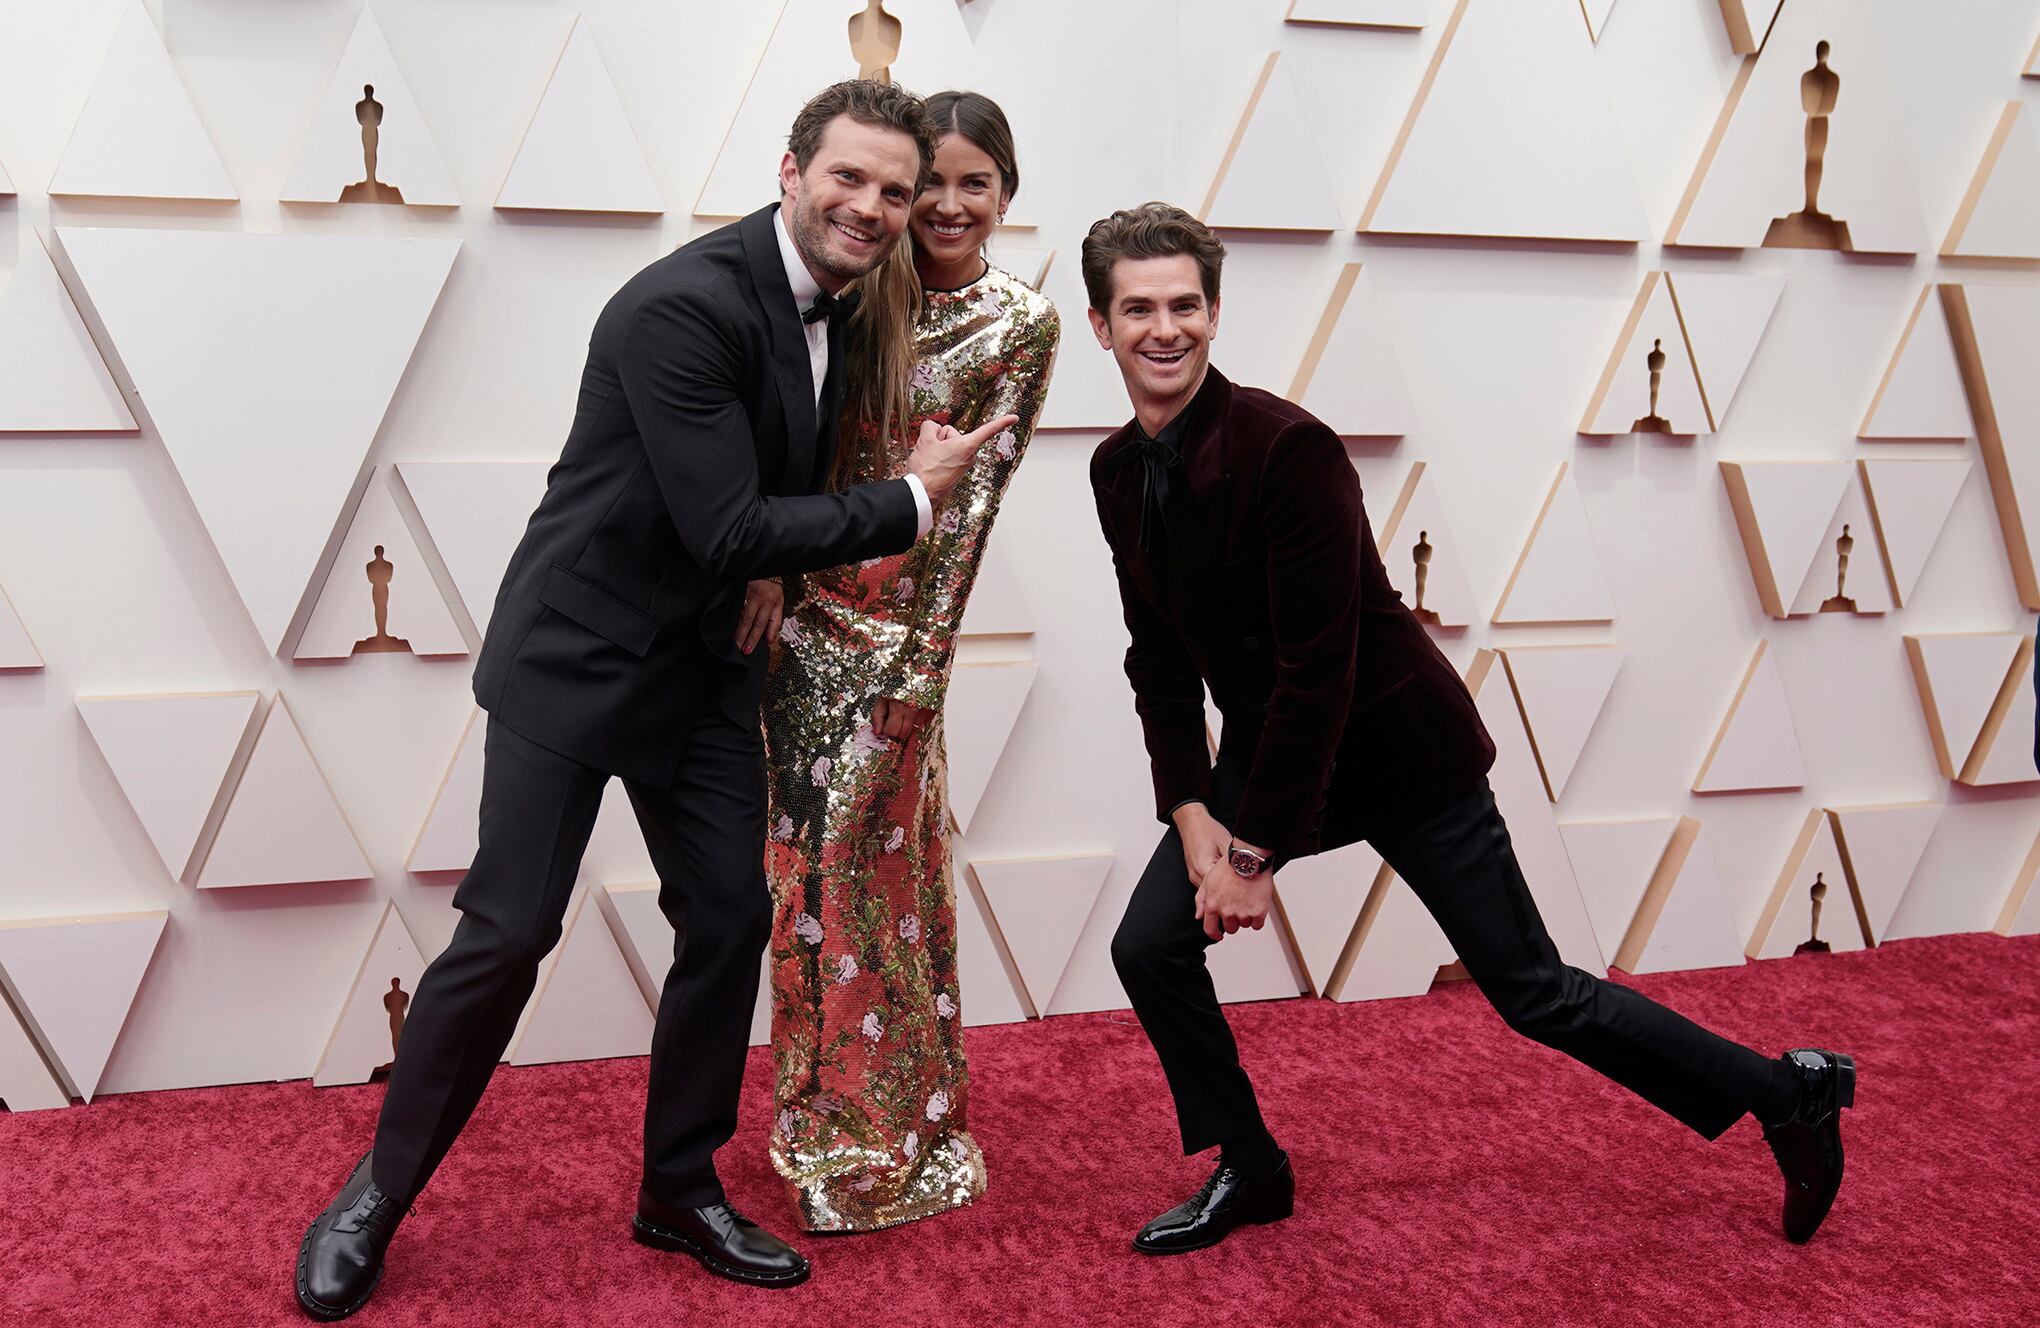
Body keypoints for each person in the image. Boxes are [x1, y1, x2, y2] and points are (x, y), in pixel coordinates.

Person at [294, 80, 1018, 1320]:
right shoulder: (679, 306)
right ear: (790, 171)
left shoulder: (851, 306)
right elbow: (726, 516)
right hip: (579, 657)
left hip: (706, 669)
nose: (877, 207)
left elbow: (757, 501)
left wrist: (775, 573)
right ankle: (373, 1193)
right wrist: (909, 499)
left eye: (896, 191)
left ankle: (677, 1185)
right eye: (851, 178)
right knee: (510, 929)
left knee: (729, 918)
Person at [1080, 203, 1856, 1257]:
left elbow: (1322, 668)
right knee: (1147, 942)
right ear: (1100, 323)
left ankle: (1785, 1092)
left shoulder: (1289, 448)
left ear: (1214, 314)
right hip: (1268, 757)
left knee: (1535, 993)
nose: (1163, 327)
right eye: (1139, 308)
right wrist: (1192, 810)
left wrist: (1251, 853)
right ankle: (1251, 1163)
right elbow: (1159, 658)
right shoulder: (1116, 471)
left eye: (1184, 304)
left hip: (1400, 753)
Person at [740, 90, 1058, 1232]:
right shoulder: (853, 293)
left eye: (977, 182)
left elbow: (966, 516)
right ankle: (816, 1123)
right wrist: (767, 574)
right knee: (803, 893)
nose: (948, 203)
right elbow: (799, 451)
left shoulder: (1021, 324)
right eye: (932, 182)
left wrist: (923, 669)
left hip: (896, 655)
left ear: (1006, 194)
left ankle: (902, 1133)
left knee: (886, 895)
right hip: (798, 633)